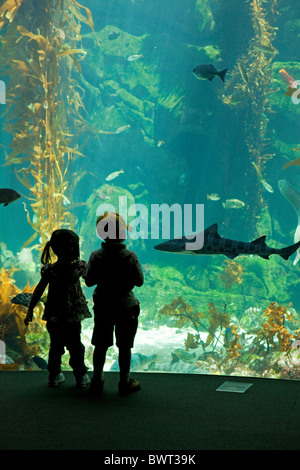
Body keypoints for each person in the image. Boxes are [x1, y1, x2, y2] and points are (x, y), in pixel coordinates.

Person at [84, 211, 144, 395]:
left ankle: (97, 380)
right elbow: (140, 281)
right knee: (125, 346)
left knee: (100, 346)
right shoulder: (130, 255)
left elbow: (88, 281)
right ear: (123, 233)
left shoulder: (96, 255)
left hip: (103, 307)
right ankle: (124, 382)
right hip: (126, 306)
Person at [24, 229, 91, 388]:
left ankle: (53, 375)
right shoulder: (78, 268)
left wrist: (30, 310)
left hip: (54, 315)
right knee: (75, 345)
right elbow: (90, 279)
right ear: (74, 248)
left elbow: (39, 290)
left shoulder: (50, 270)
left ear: (53, 248)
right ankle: (80, 375)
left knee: (55, 346)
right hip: (73, 316)